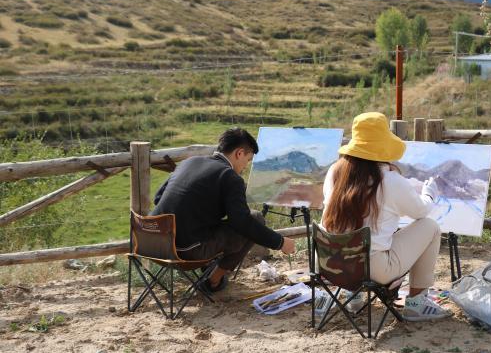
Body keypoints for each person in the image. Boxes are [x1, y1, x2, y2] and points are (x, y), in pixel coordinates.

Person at [321, 112, 451, 321]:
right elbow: (420, 211)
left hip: (331, 263)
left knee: (358, 233)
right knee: (430, 226)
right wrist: (429, 193)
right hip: (372, 269)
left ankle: (353, 296)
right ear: (382, 147)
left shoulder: (335, 171)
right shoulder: (390, 180)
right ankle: (416, 304)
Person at [151, 128, 296, 292]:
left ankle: (209, 268)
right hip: (184, 252)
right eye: (248, 160)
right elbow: (242, 222)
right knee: (255, 218)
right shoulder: (230, 177)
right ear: (239, 153)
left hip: (151, 244)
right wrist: (280, 242)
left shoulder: (189, 162)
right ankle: (213, 280)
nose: (245, 166)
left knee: (218, 223)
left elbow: (158, 198)